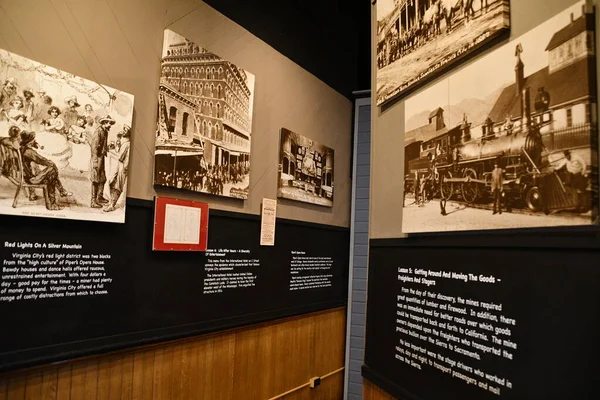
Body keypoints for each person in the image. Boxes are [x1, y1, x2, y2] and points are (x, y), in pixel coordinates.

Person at [18, 131, 71, 210]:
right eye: (33, 139)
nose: (34, 140)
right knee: (52, 171)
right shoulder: (29, 152)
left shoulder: (23, 149)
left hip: (27, 177)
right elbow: (41, 160)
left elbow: (39, 159)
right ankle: (52, 204)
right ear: (29, 141)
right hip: (31, 179)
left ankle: (61, 192)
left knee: (51, 172)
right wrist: (51, 163)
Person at [90, 115, 115, 208]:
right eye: (109, 123)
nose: (110, 125)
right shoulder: (98, 131)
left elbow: (103, 145)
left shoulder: (105, 131)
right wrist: (95, 161)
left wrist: (109, 147)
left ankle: (99, 198)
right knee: (95, 179)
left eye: (111, 123)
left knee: (102, 179)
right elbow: (94, 147)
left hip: (102, 157)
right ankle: (93, 201)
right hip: (97, 158)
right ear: (104, 123)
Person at [104, 125, 130, 212]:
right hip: (120, 166)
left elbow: (121, 157)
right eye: (124, 129)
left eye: (126, 130)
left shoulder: (127, 144)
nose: (124, 131)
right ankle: (111, 202)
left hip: (123, 167)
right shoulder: (125, 143)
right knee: (112, 182)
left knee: (117, 186)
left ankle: (112, 204)